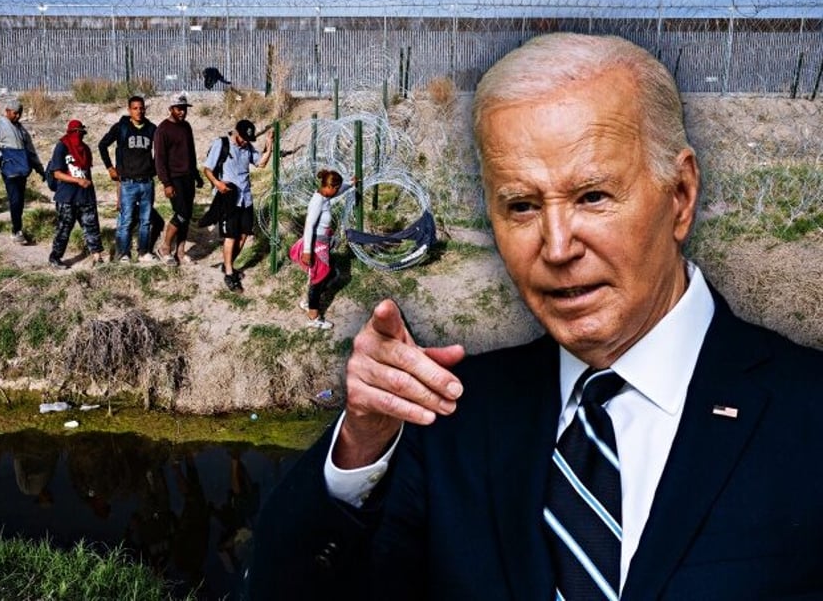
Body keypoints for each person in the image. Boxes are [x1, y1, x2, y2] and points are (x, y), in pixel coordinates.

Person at [251, 32, 823, 599]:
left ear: (680, 195)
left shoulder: (807, 416)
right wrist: (361, 445)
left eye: (593, 197)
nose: (556, 248)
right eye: (522, 206)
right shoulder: (453, 419)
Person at [201, 119, 273, 293]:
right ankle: (229, 273)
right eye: (242, 138)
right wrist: (217, 184)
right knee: (231, 236)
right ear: (236, 132)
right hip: (228, 198)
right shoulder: (221, 144)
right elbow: (207, 169)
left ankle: (228, 265)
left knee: (243, 235)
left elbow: (261, 163)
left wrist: (269, 144)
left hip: (245, 198)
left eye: (247, 140)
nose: (244, 142)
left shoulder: (247, 148)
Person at [98, 95, 159, 263]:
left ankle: (144, 252)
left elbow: (161, 151)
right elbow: (102, 145)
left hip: (147, 183)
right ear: (129, 110)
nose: (139, 111)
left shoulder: (152, 128)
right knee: (126, 220)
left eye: (141, 108)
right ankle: (123, 254)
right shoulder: (121, 127)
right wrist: (110, 167)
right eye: (135, 108)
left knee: (146, 221)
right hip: (128, 183)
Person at [291, 169, 353, 329]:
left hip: (322, 242)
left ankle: (307, 301)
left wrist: (351, 183)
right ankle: (313, 316)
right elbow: (309, 225)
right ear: (330, 187)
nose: (337, 191)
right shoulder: (318, 201)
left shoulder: (325, 195)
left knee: (328, 274)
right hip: (315, 245)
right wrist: (307, 251)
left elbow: (341, 189)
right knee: (318, 279)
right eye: (336, 189)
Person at [0, 97, 46, 243]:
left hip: (22, 169)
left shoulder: (21, 129)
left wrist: (40, 169)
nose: (18, 116)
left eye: (20, 113)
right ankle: (16, 231)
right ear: (7, 111)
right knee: (15, 199)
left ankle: (17, 228)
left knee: (19, 200)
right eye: (15, 113)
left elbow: (31, 151)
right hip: (9, 169)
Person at [47, 119, 105, 269]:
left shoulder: (85, 149)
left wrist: (91, 194)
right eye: (76, 133)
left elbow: (88, 172)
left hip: (85, 195)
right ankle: (55, 257)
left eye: (81, 133)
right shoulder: (61, 147)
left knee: (92, 227)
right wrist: (77, 180)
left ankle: (97, 257)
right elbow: (57, 174)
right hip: (67, 197)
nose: (79, 136)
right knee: (64, 229)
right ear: (70, 132)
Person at [154, 91, 202, 267]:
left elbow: (191, 153)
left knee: (187, 216)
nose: (182, 112)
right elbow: (159, 159)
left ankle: (180, 252)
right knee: (181, 214)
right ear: (171, 109)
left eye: (184, 109)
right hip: (174, 179)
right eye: (178, 109)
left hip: (188, 177)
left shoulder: (186, 127)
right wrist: (166, 183)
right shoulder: (163, 130)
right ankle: (164, 248)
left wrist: (196, 175)